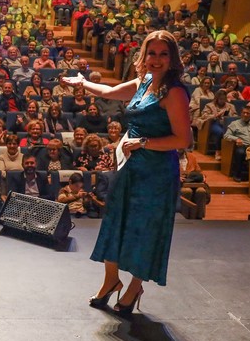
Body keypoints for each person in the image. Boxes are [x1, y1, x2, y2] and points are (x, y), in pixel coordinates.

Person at [60, 30, 192, 316]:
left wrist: (144, 142)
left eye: (163, 54)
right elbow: (108, 92)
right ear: (143, 56)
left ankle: (134, 287)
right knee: (115, 222)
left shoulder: (175, 92)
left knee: (145, 230)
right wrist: (81, 82)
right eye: (151, 53)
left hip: (157, 173)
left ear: (172, 59)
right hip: (131, 167)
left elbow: (183, 140)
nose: (156, 60)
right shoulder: (143, 83)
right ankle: (111, 281)